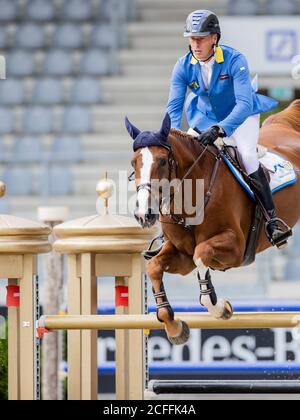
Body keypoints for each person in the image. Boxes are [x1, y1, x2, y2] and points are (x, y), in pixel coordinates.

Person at [166, 9, 292, 247]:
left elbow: (244, 104)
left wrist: (222, 129)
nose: (195, 44)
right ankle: (169, 229)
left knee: (247, 157)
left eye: (201, 38)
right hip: (204, 118)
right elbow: (173, 107)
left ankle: (272, 221)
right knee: (183, 159)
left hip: (241, 117)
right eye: (192, 39)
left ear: (214, 38)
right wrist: (171, 136)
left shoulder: (235, 60)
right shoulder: (182, 65)